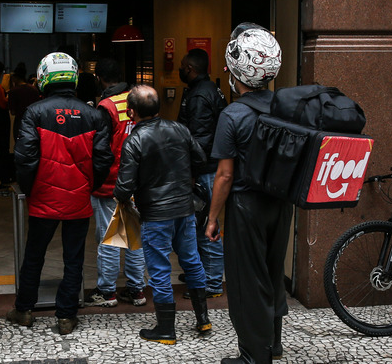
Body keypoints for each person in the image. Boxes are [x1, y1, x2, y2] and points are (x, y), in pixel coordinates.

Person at [7, 52, 113, 335]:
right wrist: (87, 186)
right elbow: (103, 160)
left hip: (43, 198)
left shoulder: (34, 113)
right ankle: (66, 316)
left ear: (44, 78)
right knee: (74, 258)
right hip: (78, 199)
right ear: (73, 77)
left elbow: (24, 160)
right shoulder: (94, 114)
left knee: (34, 255)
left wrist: (32, 190)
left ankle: (24, 310)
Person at [205, 23, 285, 364]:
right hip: (280, 202)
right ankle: (274, 345)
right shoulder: (286, 106)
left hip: (246, 206)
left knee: (247, 281)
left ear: (236, 71)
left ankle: (254, 355)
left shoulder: (232, 114)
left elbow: (224, 175)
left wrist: (212, 218)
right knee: (272, 271)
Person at [113, 85, 210, 345]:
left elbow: (124, 187)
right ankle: (203, 319)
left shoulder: (134, 140)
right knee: (191, 260)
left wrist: (122, 198)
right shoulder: (179, 129)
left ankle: (166, 330)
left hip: (156, 214)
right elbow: (200, 160)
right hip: (185, 209)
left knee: (159, 270)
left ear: (131, 113)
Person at [86, 58, 147, 308]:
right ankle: (136, 290)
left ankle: (108, 292)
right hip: (139, 181)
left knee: (110, 239)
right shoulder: (140, 99)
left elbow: (99, 148)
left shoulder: (106, 106)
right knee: (134, 237)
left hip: (111, 182)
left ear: (99, 78)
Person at [177, 47, 228, 298]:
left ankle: (212, 283)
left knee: (209, 223)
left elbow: (198, 140)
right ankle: (202, 273)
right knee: (201, 223)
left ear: (190, 69)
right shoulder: (208, 89)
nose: (180, 70)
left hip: (206, 170)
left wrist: (192, 173)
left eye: (183, 66)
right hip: (209, 167)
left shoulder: (199, 96)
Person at [7, 64, 40, 143]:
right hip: (34, 121)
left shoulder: (13, 91)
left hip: (20, 121)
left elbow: (13, 112)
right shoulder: (34, 89)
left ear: (15, 78)